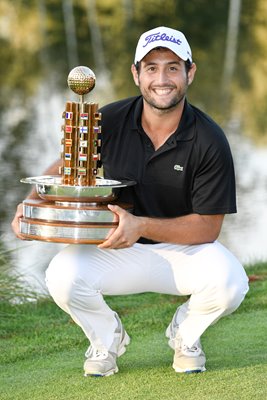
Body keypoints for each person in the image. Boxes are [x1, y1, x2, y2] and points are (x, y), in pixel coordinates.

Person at [12, 26, 249, 377]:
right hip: (116, 248)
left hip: (183, 252)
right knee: (61, 275)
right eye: (151, 68)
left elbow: (208, 226)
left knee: (232, 282)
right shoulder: (109, 119)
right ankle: (107, 338)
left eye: (173, 67)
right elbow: (68, 165)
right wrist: (30, 204)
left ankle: (185, 335)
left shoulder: (209, 139)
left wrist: (141, 226)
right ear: (136, 74)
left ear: (190, 72)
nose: (162, 79)